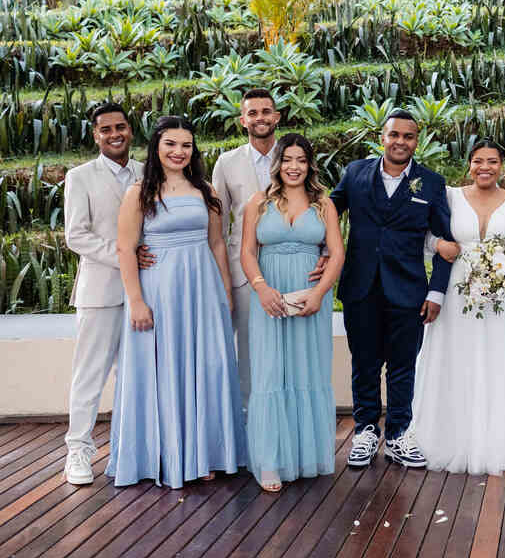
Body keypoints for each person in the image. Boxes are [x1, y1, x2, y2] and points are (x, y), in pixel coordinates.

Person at [138, 89, 324, 406]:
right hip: (243, 272)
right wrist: (219, 280)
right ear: (243, 120)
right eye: (252, 113)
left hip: (295, 269)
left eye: (266, 111)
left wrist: (325, 252)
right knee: (250, 351)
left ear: (277, 117)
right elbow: (216, 229)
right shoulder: (227, 163)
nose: (260, 117)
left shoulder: (296, 156)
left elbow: (315, 208)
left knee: (294, 350)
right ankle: (251, 426)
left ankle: (289, 421)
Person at [410, 141, 505, 475]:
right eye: (478, 161)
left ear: (502, 167)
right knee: (457, 358)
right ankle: (452, 438)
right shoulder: (450, 197)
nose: (485, 167)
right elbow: (425, 236)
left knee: (503, 358)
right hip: (457, 292)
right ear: (469, 165)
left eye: (492, 161)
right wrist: (440, 244)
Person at [106, 116, 247, 488]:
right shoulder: (138, 192)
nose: (178, 152)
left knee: (209, 367)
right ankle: (166, 455)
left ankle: (207, 453)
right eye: (171, 144)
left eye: (186, 145)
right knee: (165, 369)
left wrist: (226, 291)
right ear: (156, 147)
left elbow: (217, 244)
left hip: (203, 291)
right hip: (160, 292)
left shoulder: (206, 191)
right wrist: (135, 300)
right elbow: (125, 248)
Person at [330, 110, 455, 468]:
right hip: (360, 286)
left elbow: (447, 241)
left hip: (409, 290)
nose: (401, 141)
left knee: (402, 366)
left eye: (408, 136)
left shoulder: (431, 183)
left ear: (417, 141)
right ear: (381, 137)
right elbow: (327, 213)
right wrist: (322, 249)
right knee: (365, 364)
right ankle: (366, 431)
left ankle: (399, 434)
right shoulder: (355, 173)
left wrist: (437, 292)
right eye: (394, 135)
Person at [240, 134, 345, 492]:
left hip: (309, 299)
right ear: (277, 164)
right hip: (268, 295)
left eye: (301, 159)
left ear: (310, 164)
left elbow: (336, 253)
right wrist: (261, 287)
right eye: (287, 159)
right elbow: (247, 252)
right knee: (270, 372)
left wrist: (319, 294)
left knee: (307, 369)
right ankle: (269, 460)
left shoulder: (323, 204)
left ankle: (304, 456)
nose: (294, 166)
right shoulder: (258, 202)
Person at [62, 103, 144, 485]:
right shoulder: (80, 177)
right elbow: (76, 235)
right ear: (95, 135)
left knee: (141, 373)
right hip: (102, 290)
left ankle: (140, 448)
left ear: (131, 130)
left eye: (121, 127)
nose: (115, 134)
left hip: (146, 289)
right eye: (106, 129)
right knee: (90, 374)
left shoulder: (148, 172)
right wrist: (124, 257)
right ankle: (77, 449)